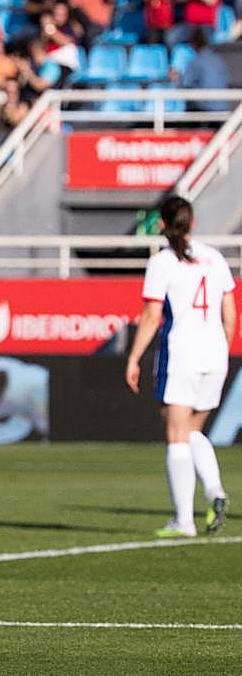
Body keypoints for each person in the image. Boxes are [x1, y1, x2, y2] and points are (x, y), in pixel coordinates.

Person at [126, 195, 233, 537]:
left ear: (160, 224)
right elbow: (231, 315)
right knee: (191, 431)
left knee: (176, 436)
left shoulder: (164, 262)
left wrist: (134, 357)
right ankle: (214, 489)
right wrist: (221, 350)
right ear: (193, 223)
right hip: (215, 355)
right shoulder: (215, 258)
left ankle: (184, 520)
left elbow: (152, 314)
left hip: (182, 354)